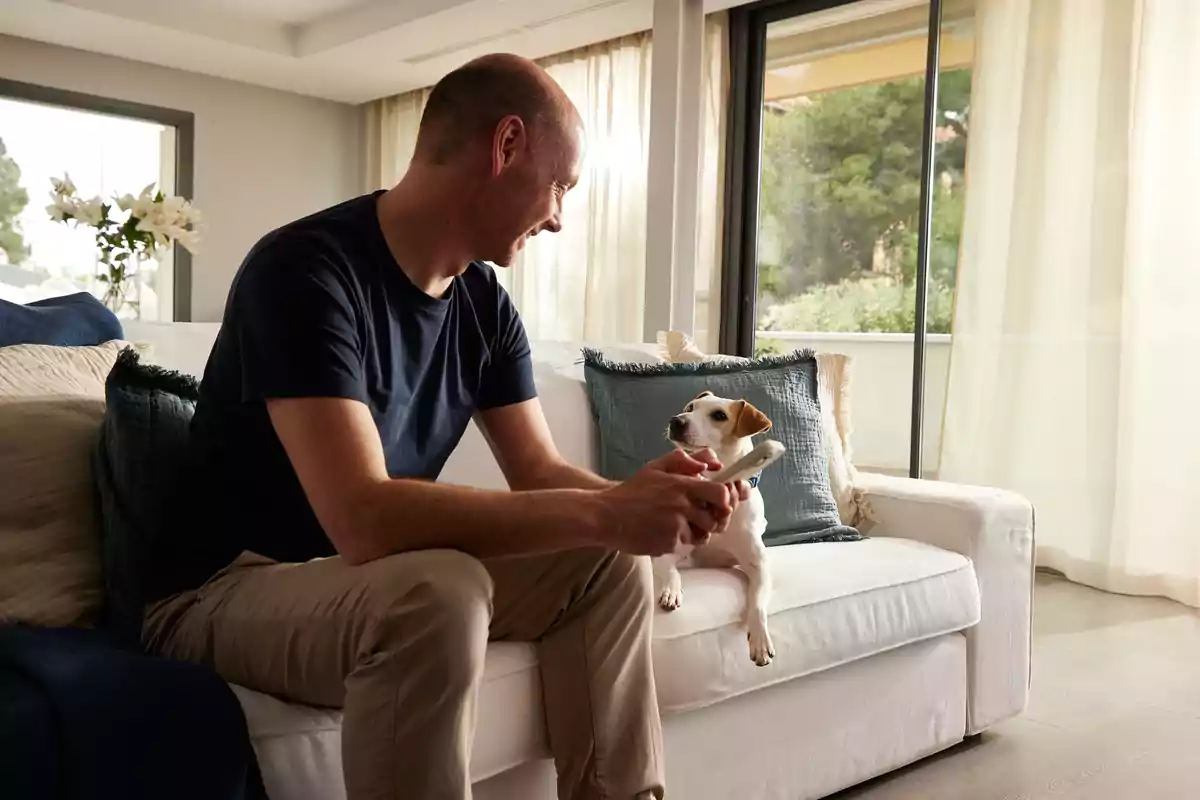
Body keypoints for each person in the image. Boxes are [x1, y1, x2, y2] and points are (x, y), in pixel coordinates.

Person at [142, 53, 746, 800]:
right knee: (441, 588)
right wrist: (606, 510)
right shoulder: (303, 271)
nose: (558, 216)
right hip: (224, 588)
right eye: (560, 185)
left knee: (605, 558)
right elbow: (361, 516)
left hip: (361, 579)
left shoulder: (484, 306)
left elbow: (540, 471)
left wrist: (639, 499)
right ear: (507, 146)